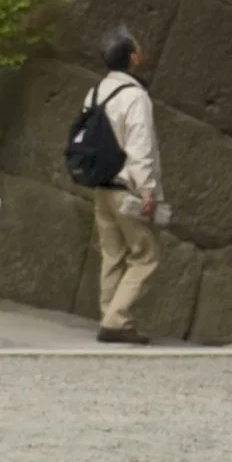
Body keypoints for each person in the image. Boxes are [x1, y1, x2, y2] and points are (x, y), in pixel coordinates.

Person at [86, 26, 163, 347]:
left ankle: (109, 316)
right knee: (146, 256)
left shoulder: (95, 92)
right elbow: (141, 147)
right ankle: (117, 321)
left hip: (101, 186)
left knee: (112, 254)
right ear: (133, 57)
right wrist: (148, 192)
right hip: (128, 188)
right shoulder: (135, 96)